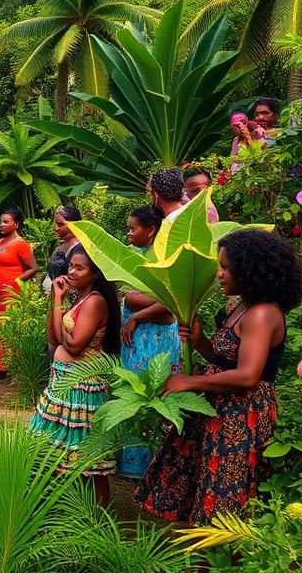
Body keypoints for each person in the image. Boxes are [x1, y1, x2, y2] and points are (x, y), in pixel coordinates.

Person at [137, 230, 302, 524]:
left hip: (240, 415)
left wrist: (189, 382)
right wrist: (201, 342)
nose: (219, 274)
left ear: (249, 270)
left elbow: (248, 376)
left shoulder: (262, 313)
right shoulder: (243, 306)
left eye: (226, 268)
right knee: (205, 487)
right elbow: (225, 361)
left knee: (226, 495)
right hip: (220, 411)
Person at [29, 246, 123, 505]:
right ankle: (75, 509)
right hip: (64, 384)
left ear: (95, 274)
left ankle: (98, 519)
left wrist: (61, 312)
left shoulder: (94, 301)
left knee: (88, 458)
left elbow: (73, 345)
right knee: (65, 452)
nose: (71, 271)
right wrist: (57, 300)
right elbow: (55, 338)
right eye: (71, 266)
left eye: (79, 268)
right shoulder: (81, 298)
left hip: (82, 387)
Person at [117, 205, 180, 478]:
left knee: (150, 397)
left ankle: (147, 466)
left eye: (134, 228)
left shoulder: (163, 258)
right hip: (137, 338)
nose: (129, 233)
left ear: (151, 230)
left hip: (155, 339)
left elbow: (169, 304)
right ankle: (128, 462)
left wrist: (136, 315)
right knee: (130, 396)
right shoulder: (136, 255)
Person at [0, 208, 39, 379]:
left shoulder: (21, 244)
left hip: (10, 292)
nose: (1, 224)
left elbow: (33, 268)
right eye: (1, 221)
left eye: (6, 221)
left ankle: (5, 366)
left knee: (4, 327)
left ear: (16, 224)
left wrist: (15, 283)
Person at [43, 207, 82, 292]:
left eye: (60, 225)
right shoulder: (60, 247)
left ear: (74, 225)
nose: (56, 228)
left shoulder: (80, 250)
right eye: (56, 224)